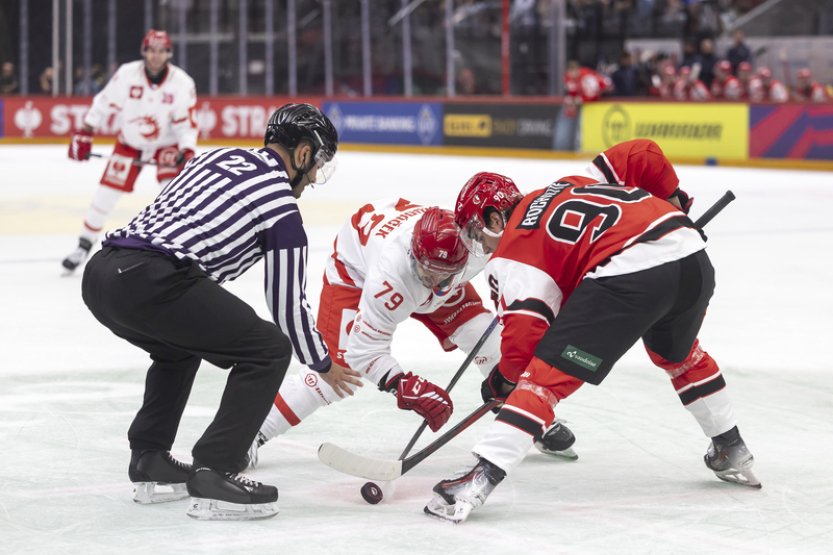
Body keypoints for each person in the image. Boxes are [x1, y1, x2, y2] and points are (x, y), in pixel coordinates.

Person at [424, 139, 760, 523]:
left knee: (542, 380)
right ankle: (730, 446)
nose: (481, 244)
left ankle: (478, 479)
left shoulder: (514, 249)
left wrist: (504, 380)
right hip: (692, 260)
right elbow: (641, 153)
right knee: (679, 355)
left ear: (494, 219)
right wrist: (673, 201)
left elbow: (522, 345)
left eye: (476, 233)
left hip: (632, 277)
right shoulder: (569, 183)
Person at [81, 102, 360, 521]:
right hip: (154, 279)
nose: (314, 177)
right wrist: (322, 362)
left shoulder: (216, 157)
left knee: (177, 348)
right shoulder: (281, 206)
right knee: (268, 349)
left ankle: (149, 457)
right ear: (303, 153)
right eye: (317, 164)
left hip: (102, 272)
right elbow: (287, 305)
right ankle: (215, 469)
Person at [249, 199, 578, 467]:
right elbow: (364, 351)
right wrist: (401, 384)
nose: (432, 282)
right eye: (427, 272)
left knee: (490, 342)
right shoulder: (390, 277)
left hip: (444, 272)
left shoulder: (475, 246)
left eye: (441, 275)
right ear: (414, 252)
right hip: (355, 270)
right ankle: (251, 433)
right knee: (335, 373)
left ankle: (523, 414)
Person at [62, 29, 198, 273]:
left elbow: (185, 122)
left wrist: (186, 149)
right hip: (129, 143)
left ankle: (184, 249)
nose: (156, 56)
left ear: (169, 53)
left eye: (161, 51)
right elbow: (104, 102)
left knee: (173, 197)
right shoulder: (127, 74)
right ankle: (84, 244)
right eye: (152, 50)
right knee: (106, 193)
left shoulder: (181, 82)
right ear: (144, 51)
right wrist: (86, 131)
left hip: (166, 145)